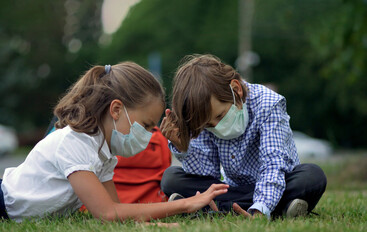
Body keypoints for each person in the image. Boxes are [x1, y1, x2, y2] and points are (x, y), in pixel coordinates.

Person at [0, 62, 229, 222]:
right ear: (117, 110)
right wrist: (186, 204)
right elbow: (107, 213)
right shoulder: (75, 143)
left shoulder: (105, 152)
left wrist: (150, 224)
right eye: (147, 125)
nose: (151, 135)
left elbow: (118, 213)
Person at [160, 54, 327, 219]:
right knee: (171, 179)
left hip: (278, 182)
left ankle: (215, 208)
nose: (217, 127)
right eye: (209, 125)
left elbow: (273, 164)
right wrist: (184, 148)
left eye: (220, 116)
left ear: (236, 90)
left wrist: (260, 209)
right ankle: (281, 208)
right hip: (231, 189)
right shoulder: (201, 117)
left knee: (312, 176)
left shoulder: (268, 104)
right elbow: (208, 177)